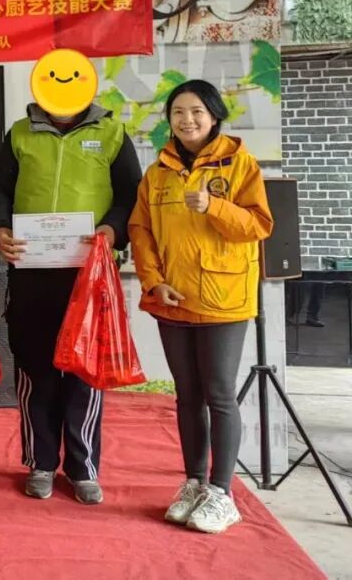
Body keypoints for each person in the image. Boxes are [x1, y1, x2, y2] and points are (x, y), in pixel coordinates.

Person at [0, 50, 141, 504]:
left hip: (87, 275)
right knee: (35, 368)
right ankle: (40, 463)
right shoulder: (19, 133)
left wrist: (111, 230)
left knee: (83, 371)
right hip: (32, 272)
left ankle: (82, 467)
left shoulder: (111, 133)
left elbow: (131, 195)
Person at [128, 79, 273, 535]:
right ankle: (193, 483)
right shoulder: (158, 172)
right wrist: (154, 281)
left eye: (196, 112)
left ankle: (222, 492)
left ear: (213, 117)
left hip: (223, 300)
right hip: (173, 298)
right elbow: (140, 231)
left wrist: (214, 206)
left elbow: (259, 225)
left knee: (219, 394)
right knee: (187, 395)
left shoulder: (240, 163)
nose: (187, 120)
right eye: (178, 113)